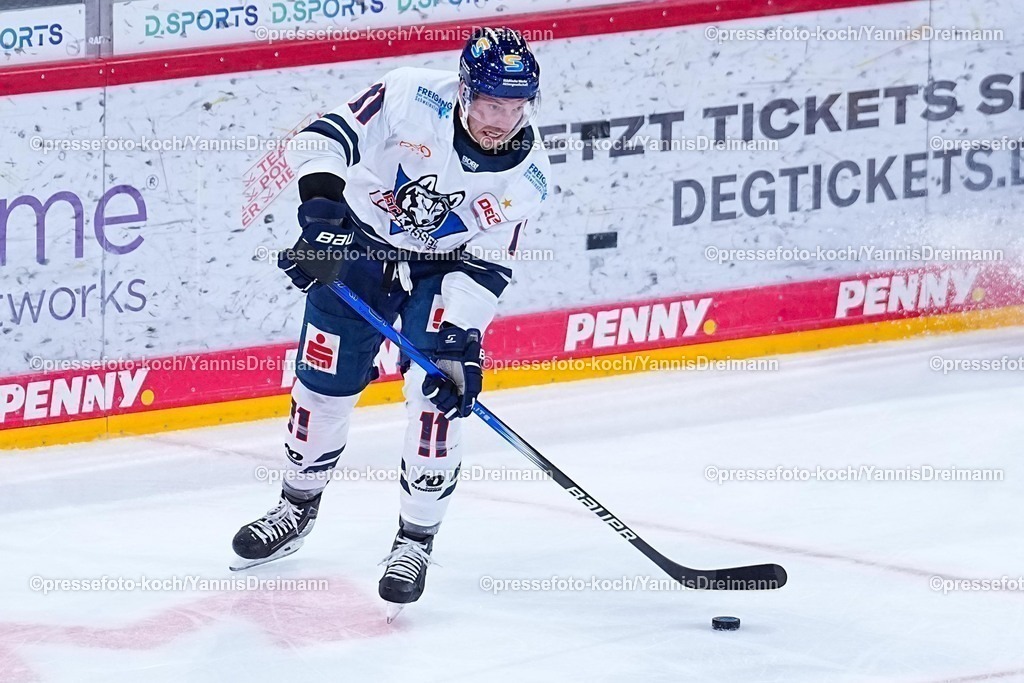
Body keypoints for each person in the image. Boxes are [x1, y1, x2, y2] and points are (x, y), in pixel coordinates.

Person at [230, 27, 550, 614]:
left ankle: (415, 540)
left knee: (437, 400)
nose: (500, 119)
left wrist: (461, 340)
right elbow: (324, 135)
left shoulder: (527, 176)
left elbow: (489, 265)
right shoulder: (408, 94)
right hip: (356, 243)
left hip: (445, 271)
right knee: (321, 387)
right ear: (463, 91)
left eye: (514, 105)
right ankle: (296, 507)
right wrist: (320, 216)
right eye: (489, 103)